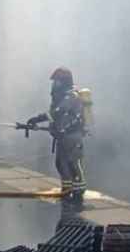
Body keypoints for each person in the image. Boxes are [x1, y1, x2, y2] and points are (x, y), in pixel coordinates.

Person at [25, 67, 88, 209]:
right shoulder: (61, 96)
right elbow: (56, 116)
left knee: (74, 165)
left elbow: (58, 112)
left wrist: (37, 118)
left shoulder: (72, 96)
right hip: (63, 137)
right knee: (61, 164)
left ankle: (78, 195)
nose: (55, 85)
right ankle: (66, 191)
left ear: (64, 82)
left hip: (72, 137)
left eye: (57, 82)